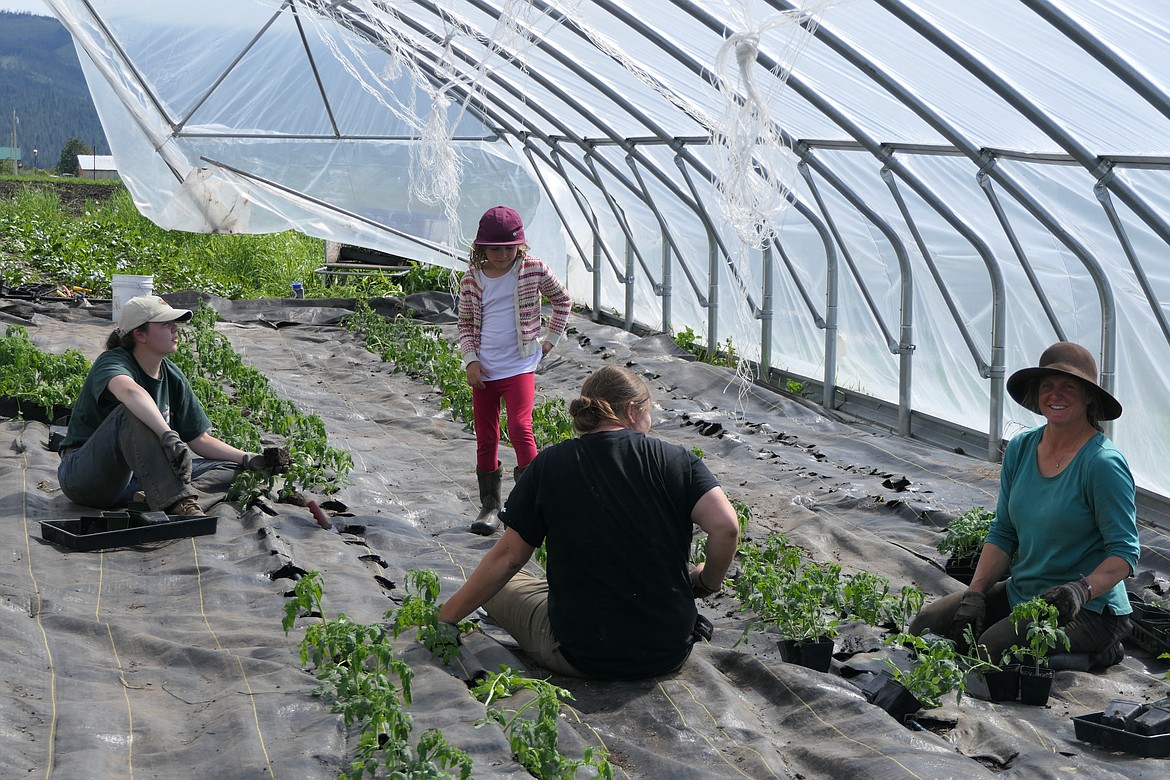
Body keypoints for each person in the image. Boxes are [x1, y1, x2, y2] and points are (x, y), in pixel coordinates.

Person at [437, 365, 740, 680]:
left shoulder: (551, 464)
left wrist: (444, 619)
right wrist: (707, 582)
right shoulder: (677, 460)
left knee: (500, 590)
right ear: (633, 411)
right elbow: (726, 527)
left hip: (583, 653)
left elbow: (509, 557)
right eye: (650, 413)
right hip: (669, 650)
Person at [910, 342, 1139, 669]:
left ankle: (1099, 653)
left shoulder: (1102, 464)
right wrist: (975, 594)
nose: (1056, 395)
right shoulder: (1021, 448)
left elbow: (1125, 553)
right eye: (1048, 386)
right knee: (927, 626)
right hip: (1026, 592)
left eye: (1068, 386)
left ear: (1089, 396)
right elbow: (1003, 531)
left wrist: (1079, 590)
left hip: (1088, 609)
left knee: (991, 652)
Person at [58, 294, 284, 516]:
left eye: (175, 324)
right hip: (87, 476)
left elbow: (200, 439)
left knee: (237, 471)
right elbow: (130, 391)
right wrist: (166, 434)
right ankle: (176, 500)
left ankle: (162, 499)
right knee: (131, 413)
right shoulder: (114, 361)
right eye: (166, 324)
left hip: (140, 480)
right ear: (139, 334)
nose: (176, 329)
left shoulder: (172, 375)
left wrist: (246, 457)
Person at [458, 205, 572, 535]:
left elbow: (563, 300)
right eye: (495, 249)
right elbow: (465, 323)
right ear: (481, 248)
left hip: (520, 365)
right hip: (485, 370)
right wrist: (471, 361)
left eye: (509, 248)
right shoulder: (472, 280)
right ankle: (490, 506)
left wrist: (550, 338)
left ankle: (532, 504)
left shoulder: (532, 270)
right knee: (487, 436)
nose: (502, 255)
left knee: (521, 428)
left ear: (520, 246)